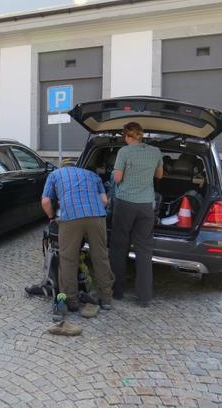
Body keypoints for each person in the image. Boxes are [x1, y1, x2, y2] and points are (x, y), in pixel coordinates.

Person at [41, 160, 114, 315]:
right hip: (97, 215)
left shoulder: (55, 174)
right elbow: (104, 201)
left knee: (68, 259)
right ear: (76, 167)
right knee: (100, 257)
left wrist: (52, 217)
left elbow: (46, 201)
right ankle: (106, 299)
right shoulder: (92, 175)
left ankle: (72, 301)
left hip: (71, 217)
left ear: (63, 167)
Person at [110, 122, 163, 307]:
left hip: (125, 203)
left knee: (119, 247)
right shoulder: (155, 152)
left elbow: (117, 178)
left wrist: (118, 173)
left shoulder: (124, 152)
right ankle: (144, 296)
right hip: (146, 206)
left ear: (127, 136)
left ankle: (116, 292)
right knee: (144, 250)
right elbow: (159, 176)